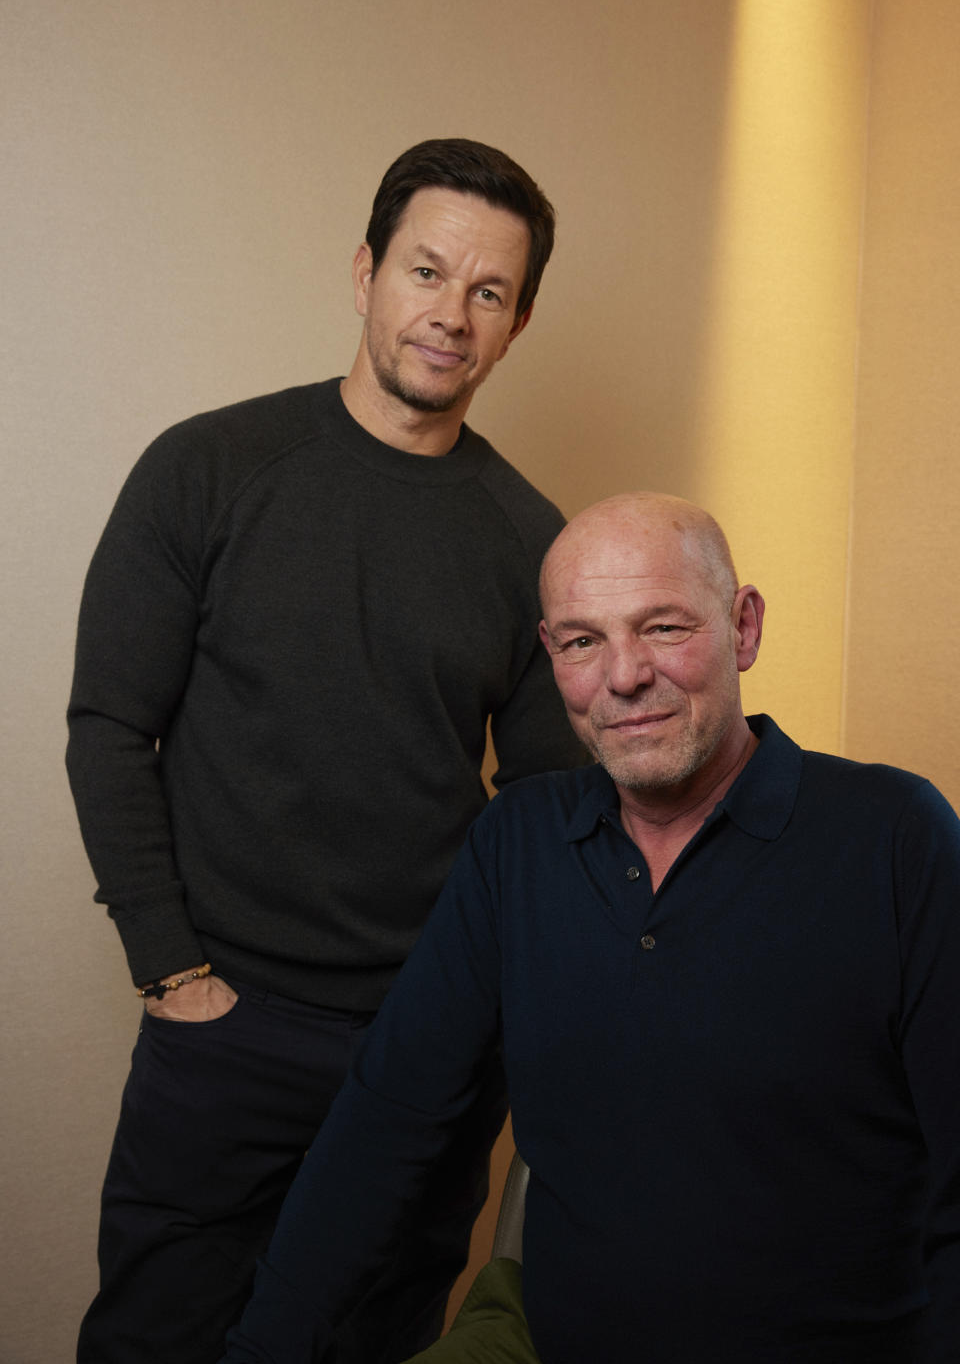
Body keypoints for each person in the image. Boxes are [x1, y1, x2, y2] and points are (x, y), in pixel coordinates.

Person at [219, 492, 960, 1364]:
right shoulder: (517, 842)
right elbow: (386, 1124)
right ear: (551, 656)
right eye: (583, 640)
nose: (624, 676)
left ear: (744, 626)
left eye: (663, 627)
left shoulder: (894, 837)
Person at [66, 138, 586, 1364]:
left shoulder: (531, 540)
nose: (451, 314)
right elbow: (108, 729)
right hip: (222, 1030)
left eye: (489, 291)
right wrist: (171, 973)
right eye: (426, 270)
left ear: (516, 324)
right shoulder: (207, 469)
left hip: (423, 1049)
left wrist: (482, 1021)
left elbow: (553, 808)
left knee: (367, 1342)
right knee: (158, 1338)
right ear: (364, 272)